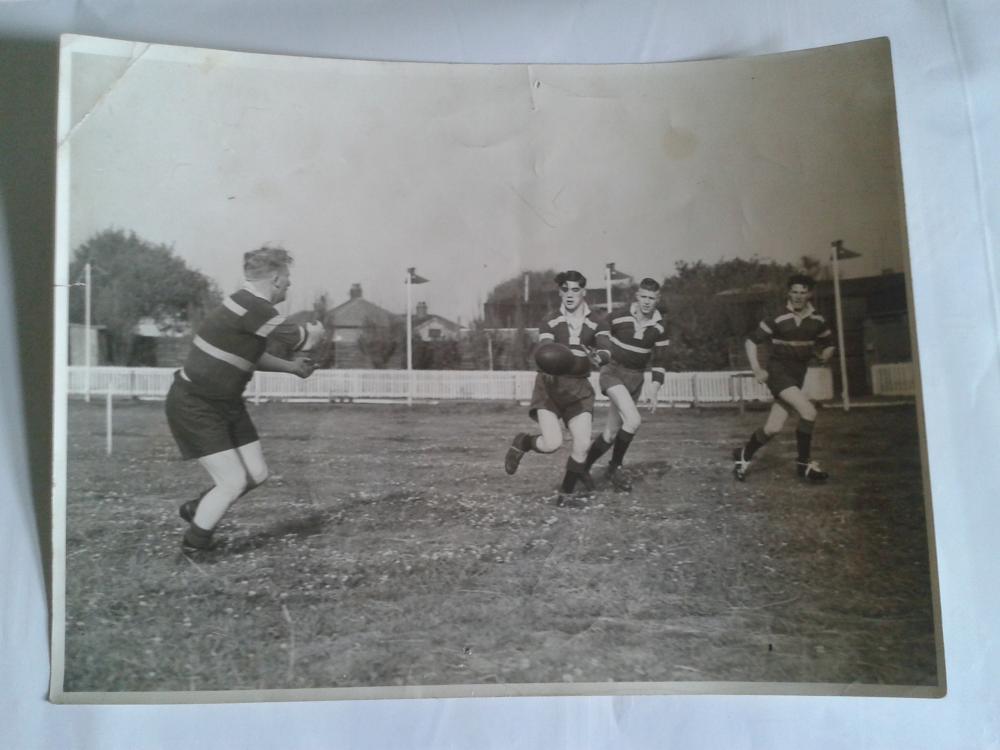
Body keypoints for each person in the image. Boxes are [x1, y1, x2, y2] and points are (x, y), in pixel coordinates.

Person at [165, 246, 324, 550]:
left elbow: (247, 357)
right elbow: (305, 338)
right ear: (276, 278)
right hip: (195, 403)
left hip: (225, 403)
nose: (290, 284)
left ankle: (200, 510)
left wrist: (292, 368)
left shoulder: (246, 306)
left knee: (257, 473)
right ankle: (193, 549)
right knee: (232, 482)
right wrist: (318, 334)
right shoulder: (254, 306)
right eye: (287, 278)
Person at [504, 270, 610, 505]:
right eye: (565, 289)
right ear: (559, 291)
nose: (570, 294)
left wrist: (599, 357)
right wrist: (556, 357)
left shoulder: (597, 322)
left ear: (583, 292)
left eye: (575, 289)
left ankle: (565, 494)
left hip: (578, 389)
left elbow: (605, 348)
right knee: (552, 443)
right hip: (550, 385)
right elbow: (546, 348)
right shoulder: (550, 320)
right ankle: (524, 442)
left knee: (582, 444)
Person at [732, 273, 835, 482]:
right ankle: (804, 466)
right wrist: (757, 369)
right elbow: (751, 341)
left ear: (810, 294)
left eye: (803, 292)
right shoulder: (778, 317)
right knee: (808, 411)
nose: (798, 296)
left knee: (773, 427)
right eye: (794, 292)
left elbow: (829, 343)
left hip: (797, 376)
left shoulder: (817, 320)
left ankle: (744, 455)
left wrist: (826, 354)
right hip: (778, 373)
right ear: (788, 293)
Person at [582, 277, 670, 491]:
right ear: (637, 296)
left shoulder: (660, 326)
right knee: (633, 420)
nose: (647, 302)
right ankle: (615, 468)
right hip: (612, 371)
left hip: (635, 378)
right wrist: (595, 351)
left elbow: (661, 360)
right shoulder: (619, 315)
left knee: (611, 433)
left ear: (657, 299)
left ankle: (582, 467)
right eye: (644, 297)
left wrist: (655, 386)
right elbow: (598, 331)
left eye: (652, 298)